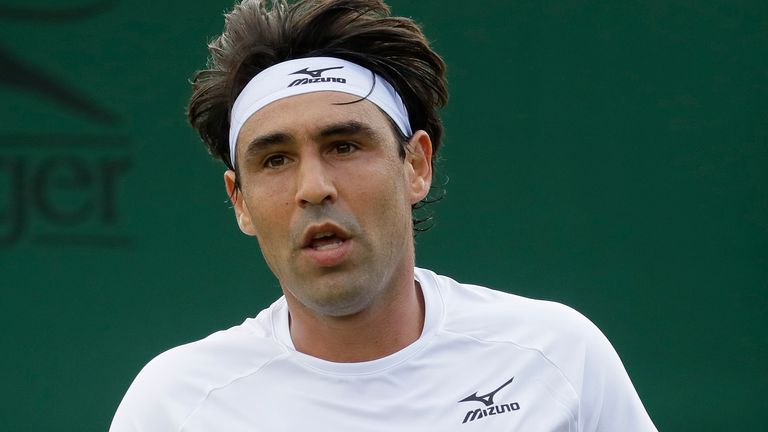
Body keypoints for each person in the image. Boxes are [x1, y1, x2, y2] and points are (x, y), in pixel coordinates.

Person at [110, 0, 658, 430]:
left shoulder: (558, 355)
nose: (314, 187)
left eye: (344, 145)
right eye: (275, 160)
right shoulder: (172, 406)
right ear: (240, 201)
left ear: (415, 164)